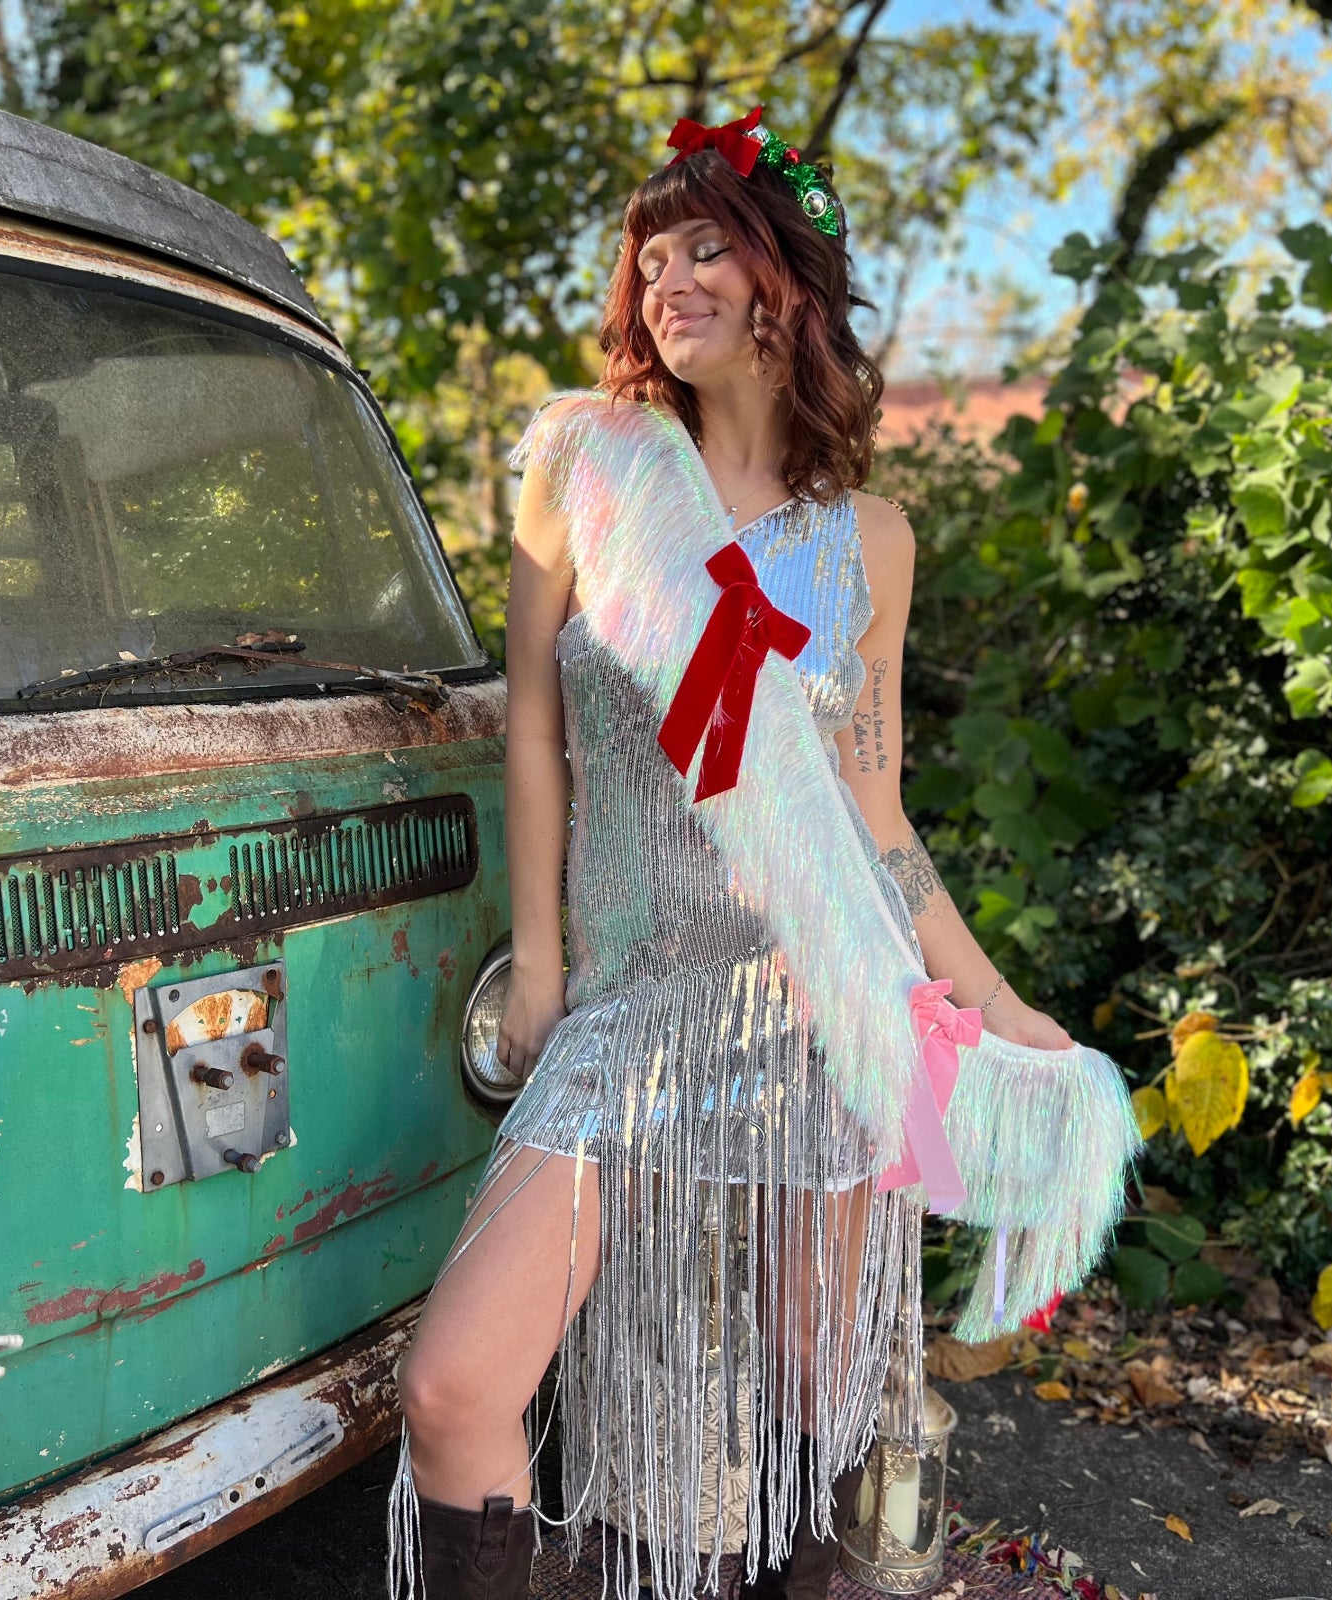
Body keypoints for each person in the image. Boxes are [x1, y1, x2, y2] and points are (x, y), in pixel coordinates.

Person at [389, 105, 1127, 1600]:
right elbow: (531, 724)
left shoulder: (874, 543)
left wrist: (994, 1007)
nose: (669, 275)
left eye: (707, 243)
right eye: (651, 254)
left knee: (824, 1395)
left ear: (787, 280)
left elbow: (874, 816)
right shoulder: (587, 466)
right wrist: (538, 961)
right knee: (456, 1389)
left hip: (814, 1010)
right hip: (627, 1010)